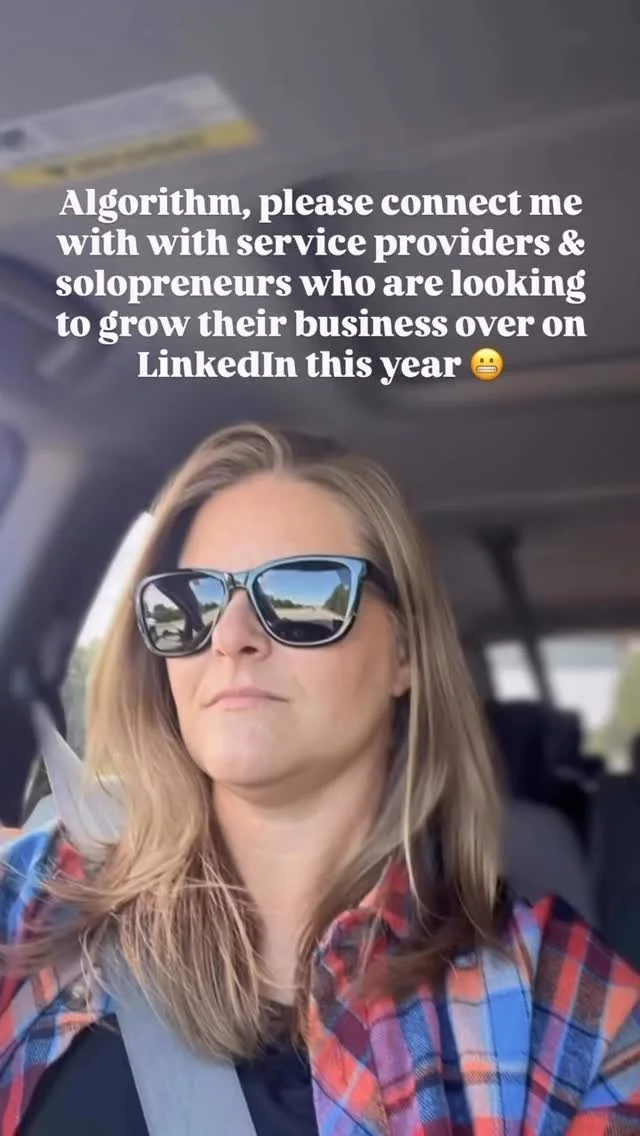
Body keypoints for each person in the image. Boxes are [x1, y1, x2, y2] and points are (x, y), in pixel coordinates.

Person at [0, 421, 638, 1135]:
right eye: (191, 601)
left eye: (302, 595)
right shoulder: (36, 903)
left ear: (405, 654)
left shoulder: (565, 1014)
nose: (230, 637)